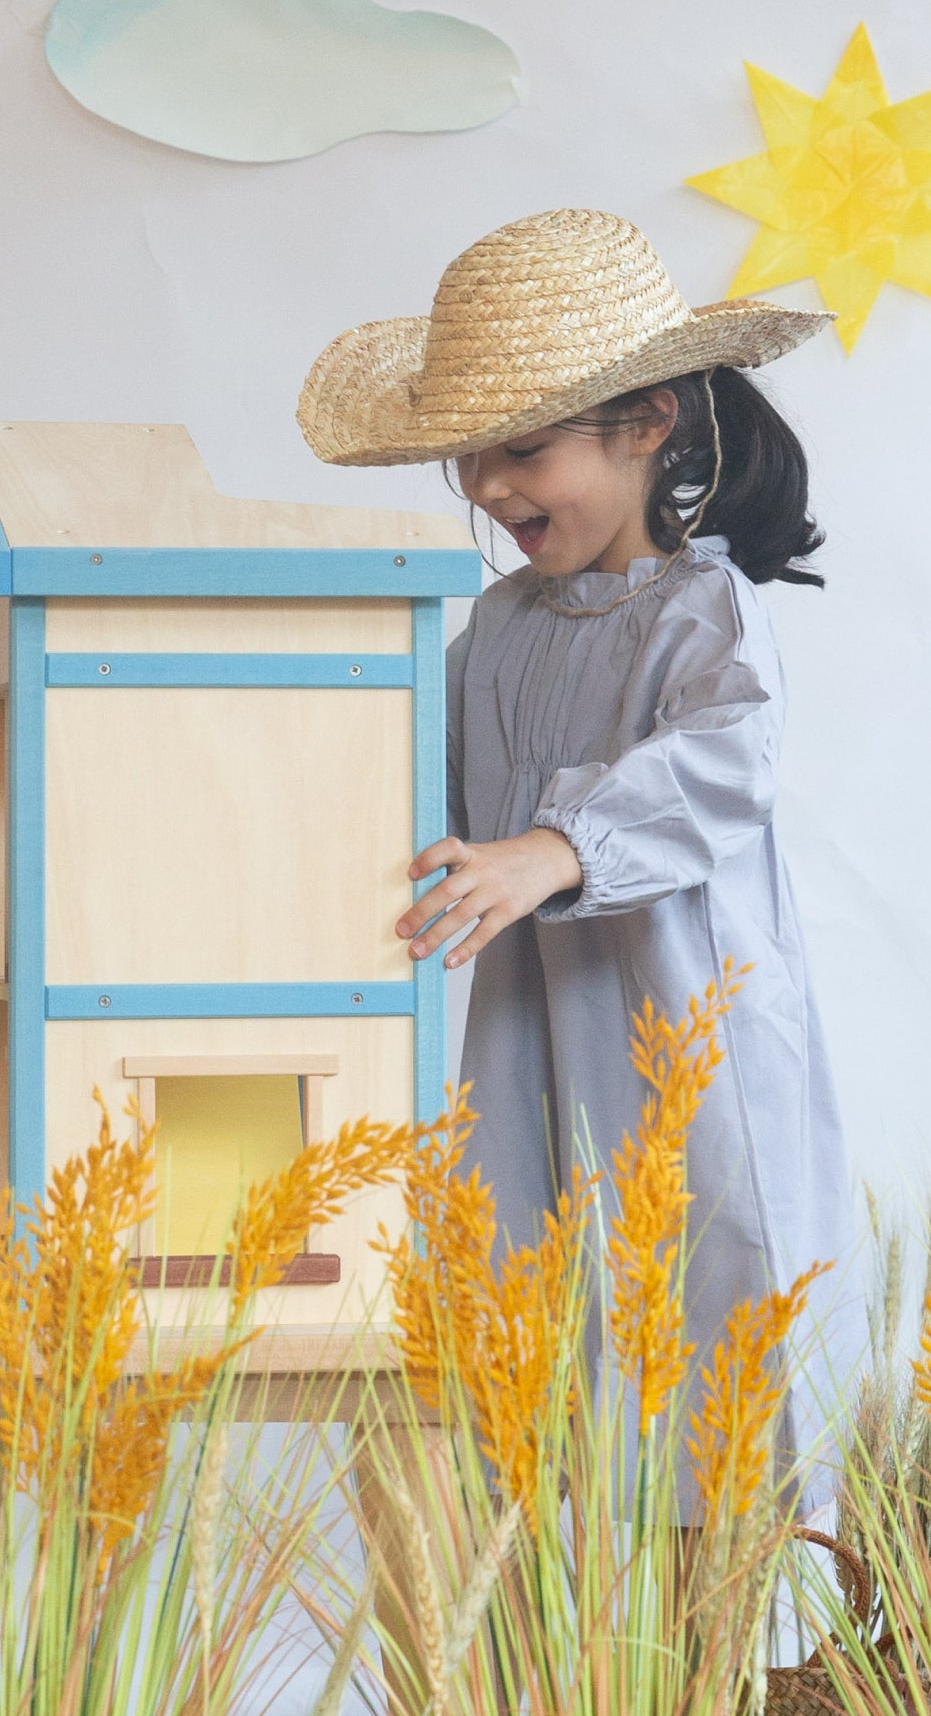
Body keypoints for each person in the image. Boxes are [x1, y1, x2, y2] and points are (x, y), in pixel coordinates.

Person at [297, 207, 866, 1527]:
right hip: (530, 1040)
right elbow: (417, 779)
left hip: (685, 1039)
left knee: (708, 1330)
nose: (488, 488)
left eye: (522, 448)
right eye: (470, 456)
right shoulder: (499, 625)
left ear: (648, 423)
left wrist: (553, 849)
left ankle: (712, 1622)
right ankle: (569, 1628)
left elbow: (724, 762)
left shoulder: (706, 608)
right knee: (532, 1314)